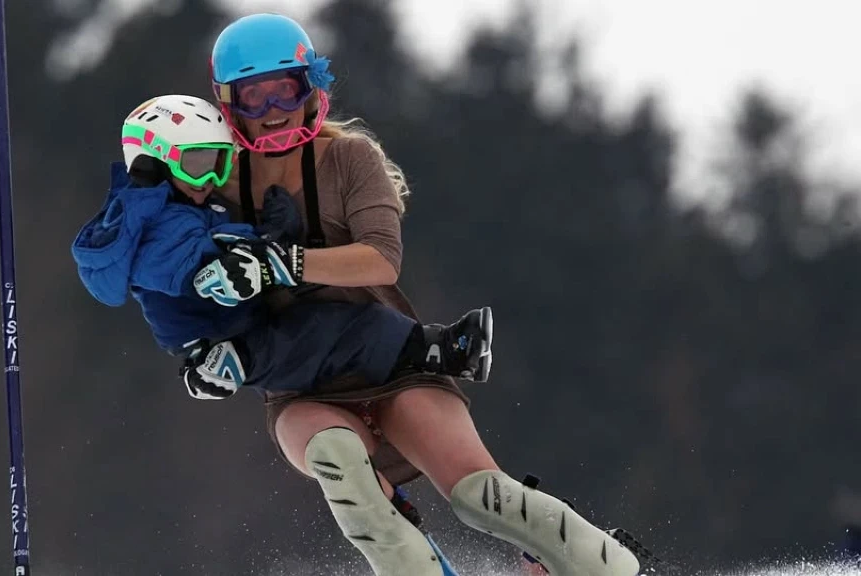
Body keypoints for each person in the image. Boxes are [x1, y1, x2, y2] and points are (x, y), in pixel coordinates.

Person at [193, 12, 654, 576]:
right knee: (344, 472)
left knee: (482, 497)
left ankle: (607, 567)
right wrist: (198, 352)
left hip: (394, 364)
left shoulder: (350, 159)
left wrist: (281, 264)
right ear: (227, 102)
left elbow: (379, 258)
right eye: (253, 96)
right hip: (299, 386)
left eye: (283, 90)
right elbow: (170, 272)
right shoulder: (214, 178)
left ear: (310, 87)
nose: (271, 111)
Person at [70, 94, 494, 407]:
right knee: (331, 332)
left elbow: (227, 241)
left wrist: (273, 233)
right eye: (196, 164)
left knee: (336, 321)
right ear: (153, 162)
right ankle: (437, 349)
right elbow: (192, 265)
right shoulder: (143, 228)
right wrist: (250, 252)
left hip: (243, 319)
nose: (207, 179)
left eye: (219, 164)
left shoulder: (189, 205)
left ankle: (425, 358)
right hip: (219, 335)